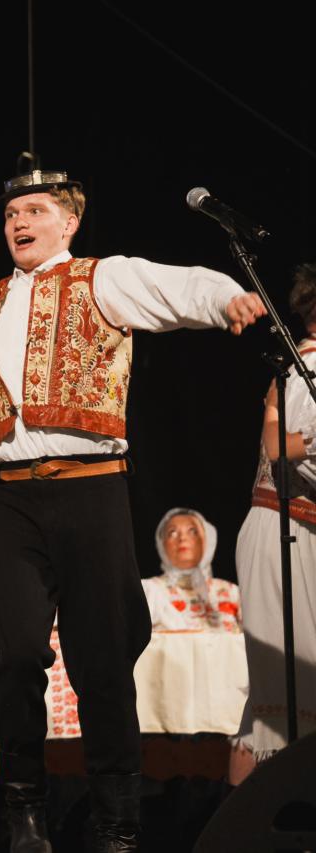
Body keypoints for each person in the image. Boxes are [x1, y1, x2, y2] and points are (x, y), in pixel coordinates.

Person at [0, 169, 266, 852]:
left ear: (69, 222)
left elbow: (171, 288)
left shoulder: (99, 278)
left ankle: (117, 819)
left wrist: (225, 296)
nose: (20, 222)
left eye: (35, 210)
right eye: (11, 214)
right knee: (16, 652)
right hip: (12, 495)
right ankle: (24, 809)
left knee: (103, 658)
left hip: (92, 489)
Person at [235, 262, 316, 772]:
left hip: (297, 526)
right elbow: (280, 445)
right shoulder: (310, 368)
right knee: (289, 692)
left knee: (283, 695)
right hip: (283, 525)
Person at [143, 509, 241, 632]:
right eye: (172, 532)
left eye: (193, 531)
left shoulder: (232, 592)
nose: (182, 538)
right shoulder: (149, 591)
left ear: (207, 539)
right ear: (161, 544)